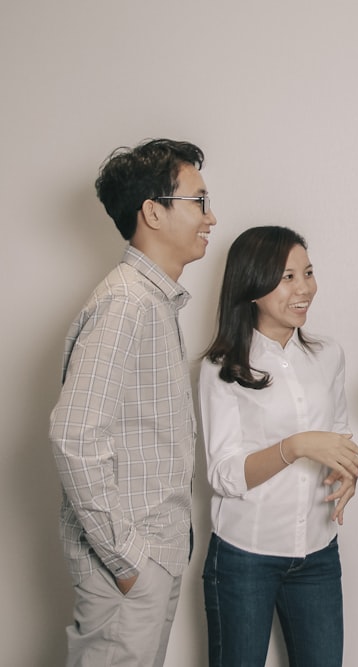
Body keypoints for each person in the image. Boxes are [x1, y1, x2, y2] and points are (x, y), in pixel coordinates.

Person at [50, 138, 216, 666]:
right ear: (153, 212)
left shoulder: (150, 300)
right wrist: (128, 562)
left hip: (151, 561)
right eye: (200, 201)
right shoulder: (126, 303)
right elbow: (73, 437)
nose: (212, 217)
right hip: (129, 569)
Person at [198, 226, 358, 667]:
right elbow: (223, 475)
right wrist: (294, 447)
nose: (304, 288)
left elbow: (340, 436)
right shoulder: (220, 367)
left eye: (307, 273)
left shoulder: (328, 355)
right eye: (287, 276)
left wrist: (347, 474)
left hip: (318, 554)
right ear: (252, 286)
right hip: (243, 558)